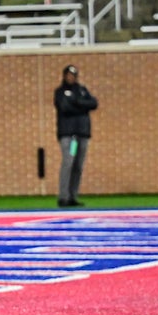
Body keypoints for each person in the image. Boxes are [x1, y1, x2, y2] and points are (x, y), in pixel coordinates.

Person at [54, 64, 97, 207]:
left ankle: (73, 195)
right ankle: (64, 196)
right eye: (68, 75)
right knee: (69, 162)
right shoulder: (61, 92)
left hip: (82, 133)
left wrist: (77, 102)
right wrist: (82, 106)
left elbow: (93, 103)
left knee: (78, 165)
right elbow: (65, 107)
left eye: (73, 75)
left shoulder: (82, 90)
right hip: (69, 134)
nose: (71, 78)